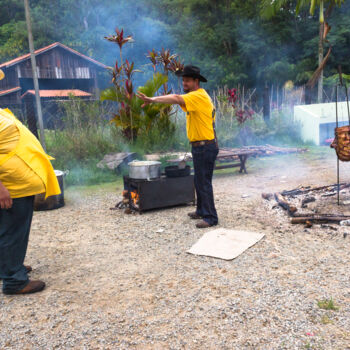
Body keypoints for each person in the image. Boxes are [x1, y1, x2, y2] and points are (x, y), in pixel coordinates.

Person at [0, 69, 61, 295]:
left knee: (8, 229)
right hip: (9, 187)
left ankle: (8, 265)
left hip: (17, 184)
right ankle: (14, 280)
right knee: (13, 230)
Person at [137, 65, 219, 229]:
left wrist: (153, 99)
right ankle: (202, 210)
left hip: (205, 146)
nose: (184, 83)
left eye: (187, 80)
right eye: (183, 80)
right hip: (202, 146)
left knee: (203, 182)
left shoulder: (198, 96)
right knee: (199, 179)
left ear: (196, 81)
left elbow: (176, 98)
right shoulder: (196, 97)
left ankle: (211, 217)